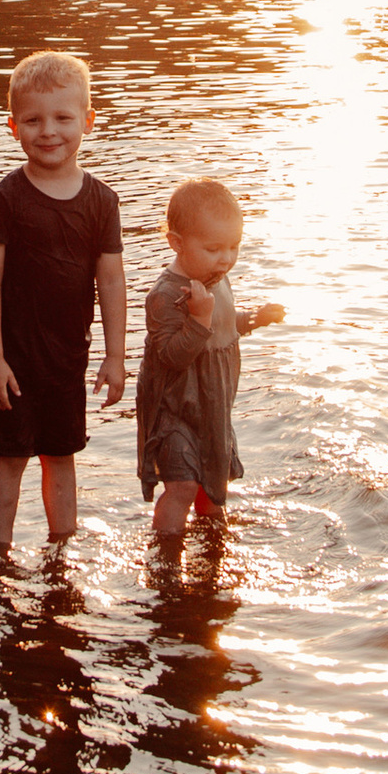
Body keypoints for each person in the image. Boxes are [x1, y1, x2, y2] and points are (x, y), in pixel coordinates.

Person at [0, 46, 126, 548]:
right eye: (34, 120)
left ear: (88, 120)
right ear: (14, 126)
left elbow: (111, 281)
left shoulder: (101, 201)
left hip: (68, 359)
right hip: (15, 361)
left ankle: (62, 548)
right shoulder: (4, 199)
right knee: (10, 455)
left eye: (63, 117)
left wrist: (116, 356)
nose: (49, 131)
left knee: (61, 456)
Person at [134, 177, 286, 544]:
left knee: (212, 483)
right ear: (177, 244)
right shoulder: (165, 295)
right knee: (183, 484)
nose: (227, 258)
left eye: (234, 246)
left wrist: (254, 319)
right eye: (214, 248)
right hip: (175, 407)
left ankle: (213, 551)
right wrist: (199, 317)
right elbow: (171, 356)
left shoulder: (217, 280)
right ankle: (165, 557)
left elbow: (223, 326)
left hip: (212, 404)